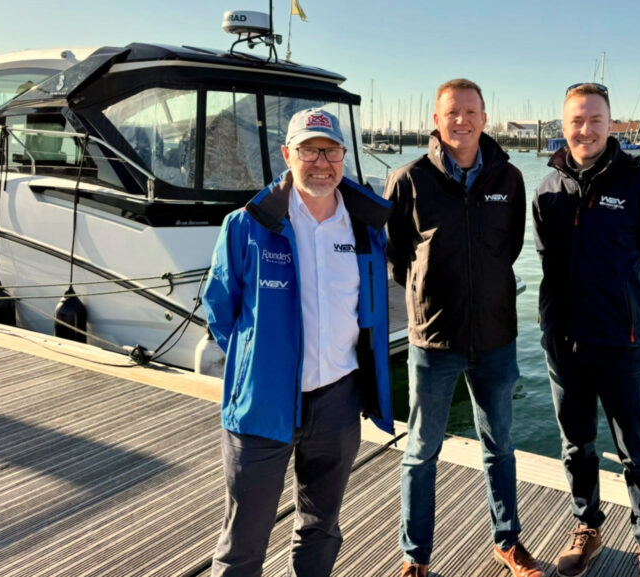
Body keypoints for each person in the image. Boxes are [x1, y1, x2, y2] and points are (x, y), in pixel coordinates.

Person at [203, 107, 393, 577]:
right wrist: (259, 364)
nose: (321, 162)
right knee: (244, 537)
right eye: (309, 150)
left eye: (330, 150)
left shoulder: (365, 228)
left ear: (344, 157)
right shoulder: (248, 224)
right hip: (263, 405)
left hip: (338, 401)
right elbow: (219, 308)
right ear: (288, 155)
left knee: (321, 526)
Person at [384, 79, 538, 577]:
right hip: (434, 339)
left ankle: (507, 540)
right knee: (421, 450)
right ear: (436, 119)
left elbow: (508, 249)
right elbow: (398, 258)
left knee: (500, 446)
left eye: (471, 112)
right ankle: (415, 557)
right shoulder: (409, 179)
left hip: (495, 337)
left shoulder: (509, 180)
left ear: (484, 119)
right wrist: (432, 295)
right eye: (452, 112)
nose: (462, 121)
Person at [532, 83, 640, 577]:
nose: (585, 129)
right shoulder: (547, 190)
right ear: (564, 125)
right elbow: (547, 261)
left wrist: (631, 311)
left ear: (611, 124)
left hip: (623, 344)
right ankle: (587, 526)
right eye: (576, 120)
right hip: (564, 341)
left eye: (596, 120)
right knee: (576, 444)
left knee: (636, 451)